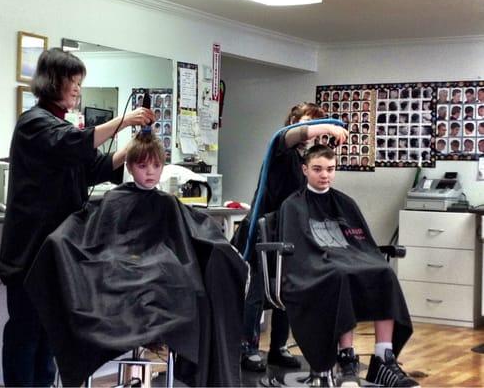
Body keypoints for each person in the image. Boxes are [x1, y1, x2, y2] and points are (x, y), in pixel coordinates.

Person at [24, 132, 248, 386]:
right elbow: (84, 237)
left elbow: (200, 232)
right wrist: (60, 244)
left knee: (188, 291)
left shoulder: (168, 204)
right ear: (129, 167)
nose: (150, 172)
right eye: (142, 166)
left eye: (156, 165)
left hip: (158, 276)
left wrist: (222, 250)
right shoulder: (114, 200)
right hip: (121, 274)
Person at [0, 48, 155, 387]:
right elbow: (73, 143)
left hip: (56, 254)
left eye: (79, 82)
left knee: (49, 336)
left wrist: (133, 147)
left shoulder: (60, 127)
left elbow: (94, 167)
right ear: (53, 80)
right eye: (73, 81)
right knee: (26, 335)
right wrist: (124, 121)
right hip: (29, 253)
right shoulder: (34, 124)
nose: (77, 89)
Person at [280, 145, 416, 387]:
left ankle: (384, 358)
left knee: (383, 272)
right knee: (340, 275)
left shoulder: (345, 203)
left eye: (330, 169)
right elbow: (299, 250)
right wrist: (334, 259)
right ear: (304, 169)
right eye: (318, 169)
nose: (325, 175)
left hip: (345, 262)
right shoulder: (293, 205)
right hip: (313, 270)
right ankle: (347, 359)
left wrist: (356, 259)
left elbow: (361, 242)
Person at [232, 102, 348, 373]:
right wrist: (326, 126)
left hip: (287, 231)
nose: (313, 135)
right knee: (256, 293)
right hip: (261, 230)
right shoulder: (281, 150)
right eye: (309, 126)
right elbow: (290, 135)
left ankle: (278, 347)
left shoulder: (305, 162)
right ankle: (246, 347)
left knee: (286, 291)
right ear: (294, 123)